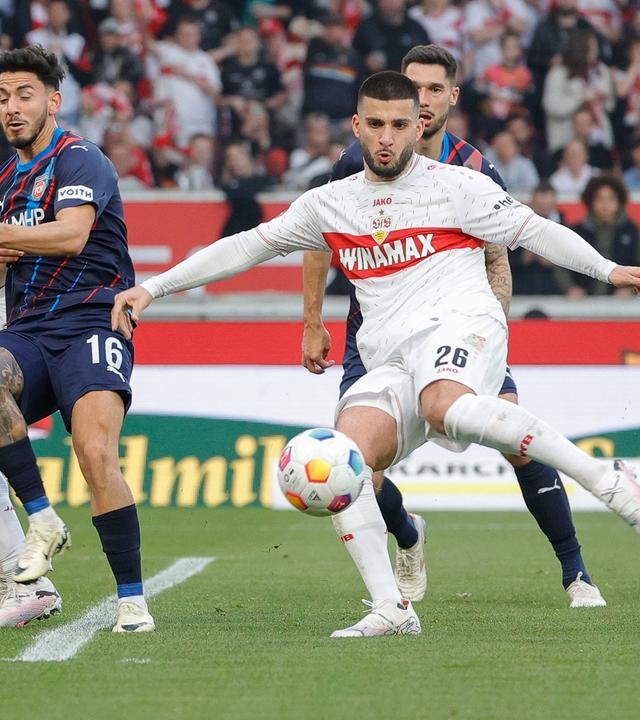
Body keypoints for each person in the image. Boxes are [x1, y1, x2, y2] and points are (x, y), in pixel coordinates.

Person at [113, 71, 640, 638]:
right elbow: (244, 247)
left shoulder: (458, 187)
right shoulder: (330, 203)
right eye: (376, 124)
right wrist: (154, 288)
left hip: (461, 323)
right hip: (388, 354)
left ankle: (607, 480)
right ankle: (392, 607)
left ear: (418, 126)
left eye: (398, 125)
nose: (386, 137)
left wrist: (608, 270)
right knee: (347, 459)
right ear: (357, 126)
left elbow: (536, 231)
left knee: (444, 406)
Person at [301, 45, 603, 610]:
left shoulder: (474, 169)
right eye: (412, 88)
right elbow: (316, 238)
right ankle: (407, 533)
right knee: (358, 466)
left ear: (451, 98)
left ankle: (576, 572)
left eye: (434, 90)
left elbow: (497, 258)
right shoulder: (354, 161)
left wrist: (483, 334)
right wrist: (312, 320)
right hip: (377, 334)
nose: (422, 100)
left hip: (457, 325)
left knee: (516, 440)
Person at [0, 45, 153, 633]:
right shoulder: (5, 181)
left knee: (94, 453)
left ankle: (132, 601)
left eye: (25, 95)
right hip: (28, 331)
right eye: (3, 99)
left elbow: (71, 236)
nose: (13, 108)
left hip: (91, 323)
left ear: (53, 101)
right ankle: (42, 521)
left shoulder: (80, 158)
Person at [559, 176, 640, 297]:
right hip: (581, 302)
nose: (605, 205)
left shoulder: (631, 230)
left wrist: (630, 289)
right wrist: (570, 288)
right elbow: (561, 264)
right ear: (591, 202)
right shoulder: (578, 230)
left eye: (611, 199)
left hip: (622, 302)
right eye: (599, 199)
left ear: (619, 201)